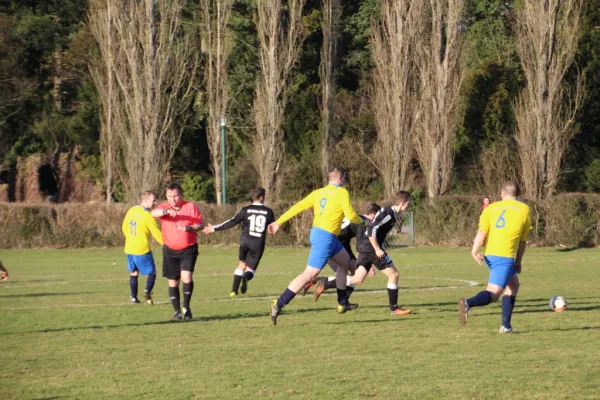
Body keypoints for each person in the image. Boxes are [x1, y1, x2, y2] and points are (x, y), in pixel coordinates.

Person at [267, 166, 365, 325]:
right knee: (309, 274)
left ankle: (342, 303)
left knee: (345, 263)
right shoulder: (342, 192)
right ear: (341, 179)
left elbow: (297, 207)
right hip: (325, 237)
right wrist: (365, 222)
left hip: (328, 237)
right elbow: (351, 216)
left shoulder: (318, 193)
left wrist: (279, 222)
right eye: (345, 179)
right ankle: (278, 303)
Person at [314, 191, 413, 316]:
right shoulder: (388, 214)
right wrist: (377, 249)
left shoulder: (390, 213)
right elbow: (372, 229)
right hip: (370, 247)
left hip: (366, 247)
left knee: (357, 279)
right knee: (394, 275)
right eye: (408, 203)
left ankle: (326, 283)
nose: (409, 206)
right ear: (403, 203)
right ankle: (394, 308)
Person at [458, 181, 531, 333]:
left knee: (513, 285)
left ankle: (506, 326)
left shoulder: (490, 208)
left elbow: (482, 232)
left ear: (502, 193)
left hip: (490, 254)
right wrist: (518, 260)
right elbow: (523, 240)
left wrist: (474, 250)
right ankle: (467, 303)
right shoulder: (524, 209)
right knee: (493, 294)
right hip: (504, 256)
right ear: (517, 194)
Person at [202, 187, 275, 297]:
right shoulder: (268, 211)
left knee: (241, 264)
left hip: (245, 242)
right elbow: (273, 226)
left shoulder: (245, 210)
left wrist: (214, 228)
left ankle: (233, 291)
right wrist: (271, 230)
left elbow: (232, 221)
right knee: (250, 270)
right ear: (261, 197)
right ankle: (246, 277)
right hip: (258, 244)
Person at [151, 183, 204, 321]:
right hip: (170, 250)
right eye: (170, 196)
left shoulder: (190, 207)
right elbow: (153, 213)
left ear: (181, 195)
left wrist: (190, 228)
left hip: (188, 249)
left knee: (186, 277)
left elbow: (200, 224)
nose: (173, 199)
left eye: (176, 196)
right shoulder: (164, 207)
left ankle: (186, 308)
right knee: (173, 281)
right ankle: (176, 312)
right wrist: (165, 212)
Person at [302, 203, 381, 296]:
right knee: (352, 275)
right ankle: (323, 283)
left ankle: (341, 299)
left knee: (357, 276)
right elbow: (361, 246)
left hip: (341, 244)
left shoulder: (356, 217)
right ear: (373, 214)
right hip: (331, 245)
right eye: (377, 218)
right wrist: (367, 264)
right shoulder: (363, 223)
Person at [121, 191, 164, 304]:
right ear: (145, 200)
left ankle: (134, 297)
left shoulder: (132, 210)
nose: (155, 203)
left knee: (134, 272)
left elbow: (124, 227)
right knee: (152, 272)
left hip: (129, 247)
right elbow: (156, 233)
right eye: (153, 200)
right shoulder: (147, 215)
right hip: (141, 248)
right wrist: (166, 244)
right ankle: (147, 291)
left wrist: (130, 238)